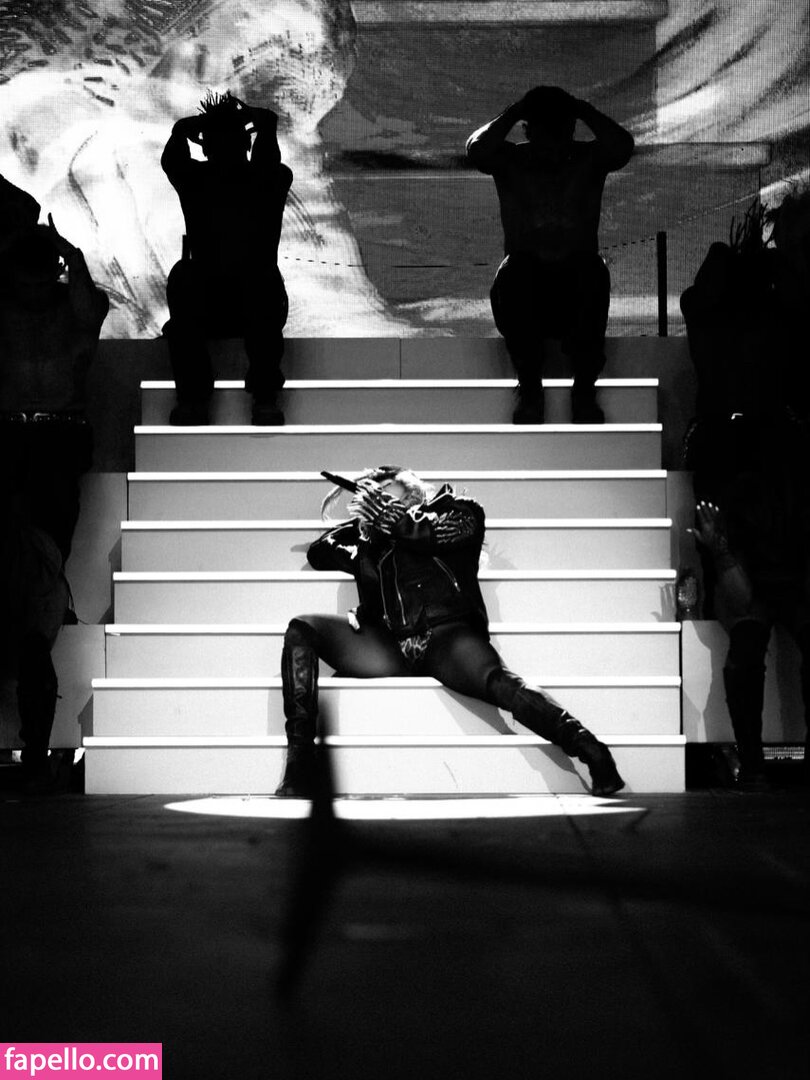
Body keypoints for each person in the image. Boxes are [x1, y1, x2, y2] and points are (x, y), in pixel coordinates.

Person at [275, 465, 625, 798]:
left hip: (447, 636)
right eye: (372, 492)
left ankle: (592, 751)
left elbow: (430, 535)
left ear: (412, 488)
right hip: (388, 645)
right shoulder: (371, 540)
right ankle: (300, 764)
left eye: (385, 487)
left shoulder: (457, 510)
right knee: (302, 629)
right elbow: (321, 552)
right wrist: (364, 528)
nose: (377, 494)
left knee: (500, 683)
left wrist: (394, 520)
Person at [466, 86, 634, 424]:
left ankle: (583, 390)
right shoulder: (512, 160)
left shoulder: (588, 159)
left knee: (591, 269)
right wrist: (516, 110)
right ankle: (530, 390)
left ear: (570, 129)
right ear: (529, 129)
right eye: (545, 129)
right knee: (515, 271)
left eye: (559, 129)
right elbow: (476, 149)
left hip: (575, 290)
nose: (552, 142)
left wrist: (581, 109)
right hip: (527, 290)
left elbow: (623, 146)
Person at [161, 91, 293, 426]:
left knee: (255, 279)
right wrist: (265, 125)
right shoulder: (267, 179)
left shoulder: (198, 180)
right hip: (219, 300)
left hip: (251, 298)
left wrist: (182, 129)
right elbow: (268, 163)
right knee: (188, 277)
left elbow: (172, 160)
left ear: (204, 147)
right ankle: (252, 399)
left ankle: (210, 399)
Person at [690, 448, 810, 787]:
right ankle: (752, 764)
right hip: (748, 577)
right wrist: (722, 553)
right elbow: (742, 601)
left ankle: (758, 766)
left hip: (793, 577)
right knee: (743, 653)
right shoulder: (734, 507)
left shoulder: (794, 507)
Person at [0, 213, 108, 562]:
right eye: (25, 284)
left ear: (54, 274)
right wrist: (11, 244)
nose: (33, 293)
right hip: (9, 430)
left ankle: (50, 585)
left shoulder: (76, 308)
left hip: (61, 431)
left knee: (53, 523)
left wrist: (71, 255)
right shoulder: (5, 309)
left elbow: (90, 314)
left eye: (41, 284)